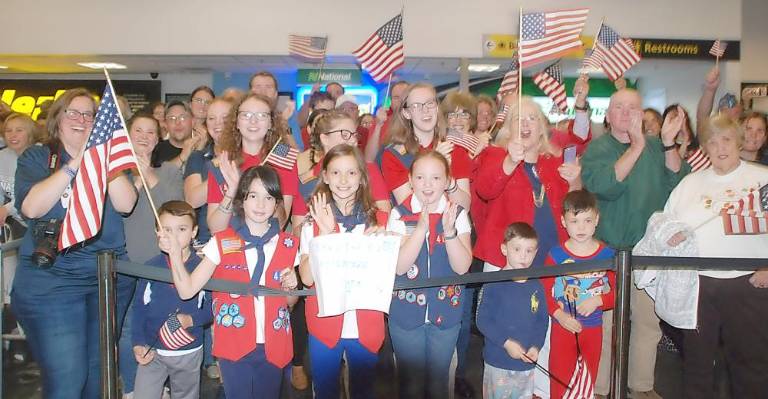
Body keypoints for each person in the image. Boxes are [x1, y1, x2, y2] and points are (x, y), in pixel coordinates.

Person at [12, 88, 138, 398]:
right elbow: (31, 208)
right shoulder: (39, 156)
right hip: (53, 279)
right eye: (73, 112)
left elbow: (126, 203)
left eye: (89, 115)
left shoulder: (106, 160)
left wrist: (99, 159)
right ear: (58, 118)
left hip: (105, 278)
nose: (81, 120)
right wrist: (75, 163)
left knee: (98, 379)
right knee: (68, 380)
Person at [581, 89, 689, 399]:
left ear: (642, 113)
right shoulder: (599, 148)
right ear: (609, 113)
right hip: (606, 252)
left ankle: (641, 386)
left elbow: (677, 183)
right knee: (603, 324)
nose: (626, 113)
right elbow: (605, 186)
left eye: (633, 107)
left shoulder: (657, 147)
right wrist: (637, 145)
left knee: (647, 325)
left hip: (647, 254)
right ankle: (600, 389)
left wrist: (668, 143)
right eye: (619, 107)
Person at [161, 166, 300, 399]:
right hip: (234, 346)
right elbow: (187, 290)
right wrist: (175, 254)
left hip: (275, 347)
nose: (260, 204)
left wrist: (292, 286)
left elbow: (290, 303)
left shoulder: (288, 244)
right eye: (253, 196)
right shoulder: (222, 241)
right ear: (242, 200)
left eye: (268, 197)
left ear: (277, 203)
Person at [655, 114, 768, 398]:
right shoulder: (689, 184)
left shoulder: (762, 180)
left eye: (727, 139)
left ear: (739, 141)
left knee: (749, 364)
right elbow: (665, 223)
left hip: (748, 284)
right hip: (698, 286)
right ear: (704, 147)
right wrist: (671, 236)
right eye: (713, 142)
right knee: (697, 364)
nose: (720, 147)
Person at [298, 144, 388, 399]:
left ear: (361, 177)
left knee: (364, 392)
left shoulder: (380, 221)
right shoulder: (313, 224)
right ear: (325, 176)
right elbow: (305, 278)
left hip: (366, 325)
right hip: (324, 326)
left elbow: (393, 269)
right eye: (336, 173)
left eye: (351, 173)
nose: (344, 180)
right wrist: (326, 235)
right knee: (325, 391)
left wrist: (387, 242)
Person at [387, 151, 473, 399]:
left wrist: (450, 234)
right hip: (405, 316)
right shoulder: (399, 214)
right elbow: (399, 266)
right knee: (410, 385)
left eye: (436, 178)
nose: (427, 184)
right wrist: (420, 229)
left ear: (447, 181)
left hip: (445, 315)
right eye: (421, 177)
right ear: (410, 180)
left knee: (438, 385)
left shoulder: (457, 214)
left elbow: (462, 267)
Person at [119, 111, 186, 397]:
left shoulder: (169, 172)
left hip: (161, 265)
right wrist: (133, 178)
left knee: (160, 322)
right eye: (139, 131)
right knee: (127, 330)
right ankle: (134, 387)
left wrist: (148, 175)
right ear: (127, 135)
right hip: (126, 264)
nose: (144, 137)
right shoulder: (116, 176)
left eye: (150, 133)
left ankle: (161, 386)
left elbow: (174, 210)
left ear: (158, 139)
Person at [132, 201, 212, 399]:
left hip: (188, 350)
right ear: (157, 232)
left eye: (181, 229)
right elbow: (139, 309)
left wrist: (191, 320)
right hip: (153, 350)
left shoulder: (203, 268)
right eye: (167, 229)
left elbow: (212, 309)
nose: (174, 236)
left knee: (186, 395)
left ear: (194, 232)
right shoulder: (150, 267)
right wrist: (138, 342)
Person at [542, 190, 616, 398]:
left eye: (587, 220)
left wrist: (599, 300)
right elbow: (544, 291)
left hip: (592, 329)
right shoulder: (556, 255)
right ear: (563, 222)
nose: (581, 228)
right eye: (574, 221)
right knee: (559, 381)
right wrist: (560, 315)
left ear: (597, 220)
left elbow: (620, 293)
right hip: (562, 328)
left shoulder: (607, 255)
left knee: (587, 382)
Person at [206, 93, 300, 234]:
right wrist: (231, 192)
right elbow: (215, 229)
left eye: (262, 115)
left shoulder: (283, 157)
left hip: (267, 246)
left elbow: (280, 223)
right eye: (246, 115)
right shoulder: (224, 162)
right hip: (229, 247)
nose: (253, 121)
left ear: (271, 123)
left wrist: (266, 187)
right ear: (236, 122)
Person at [476, 222, 548, 399]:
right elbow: (482, 320)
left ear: (536, 252)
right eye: (517, 249)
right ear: (504, 249)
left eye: (529, 250)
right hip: (498, 362)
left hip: (526, 364)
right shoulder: (493, 283)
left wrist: (536, 347)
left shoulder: (536, 286)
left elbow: (541, 321)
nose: (523, 256)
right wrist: (506, 343)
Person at [380, 83, 472, 209]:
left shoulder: (454, 149)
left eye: (430, 103)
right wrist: (437, 163)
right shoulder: (394, 155)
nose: (425, 110)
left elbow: (465, 207)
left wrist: (449, 182)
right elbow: (411, 208)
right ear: (407, 113)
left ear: (437, 108)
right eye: (417, 106)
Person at [0, 113, 40, 364]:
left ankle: (31, 339)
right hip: (13, 227)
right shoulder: (1, 157)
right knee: (9, 285)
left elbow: (32, 195)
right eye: (8, 130)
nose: (13, 135)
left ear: (30, 133)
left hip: (36, 224)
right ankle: (12, 338)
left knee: (29, 285)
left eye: (19, 130)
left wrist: (7, 209)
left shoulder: (39, 156)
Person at [364, 80, 409, 162]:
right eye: (396, 97)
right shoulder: (380, 122)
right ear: (391, 102)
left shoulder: (419, 123)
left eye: (405, 97)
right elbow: (369, 159)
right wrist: (378, 126)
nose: (401, 101)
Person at [152, 101, 196, 167]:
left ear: (193, 122)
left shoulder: (203, 148)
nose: (177, 122)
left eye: (182, 118)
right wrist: (182, 157)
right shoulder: (155, 151)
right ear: (165, 124)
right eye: (172, 118)